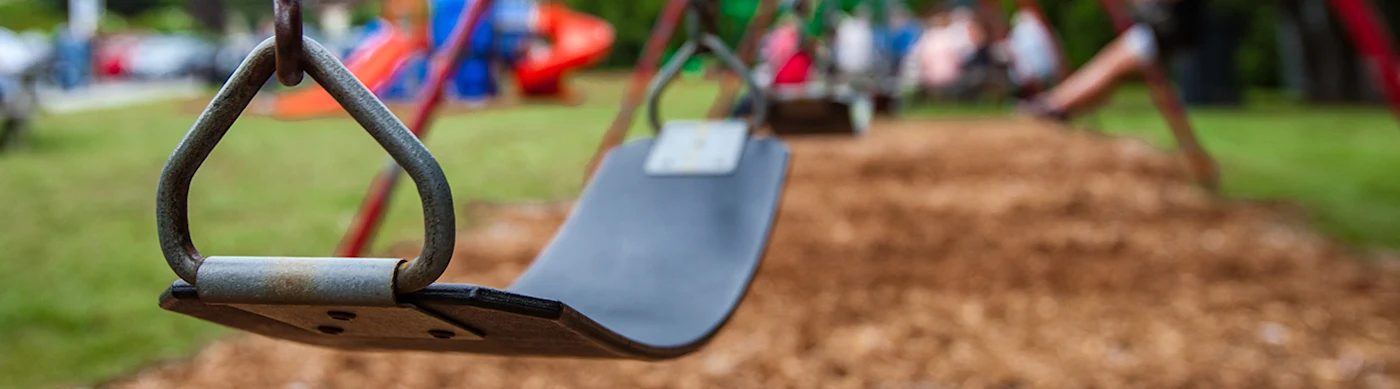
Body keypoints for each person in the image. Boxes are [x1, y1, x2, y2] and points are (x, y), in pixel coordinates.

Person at [1020, 0, 1207, 121]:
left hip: (1168, 28)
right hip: (1165, 28)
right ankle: (1060, 106)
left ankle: (1056, 105)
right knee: (1116, 64)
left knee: (1115, 60)